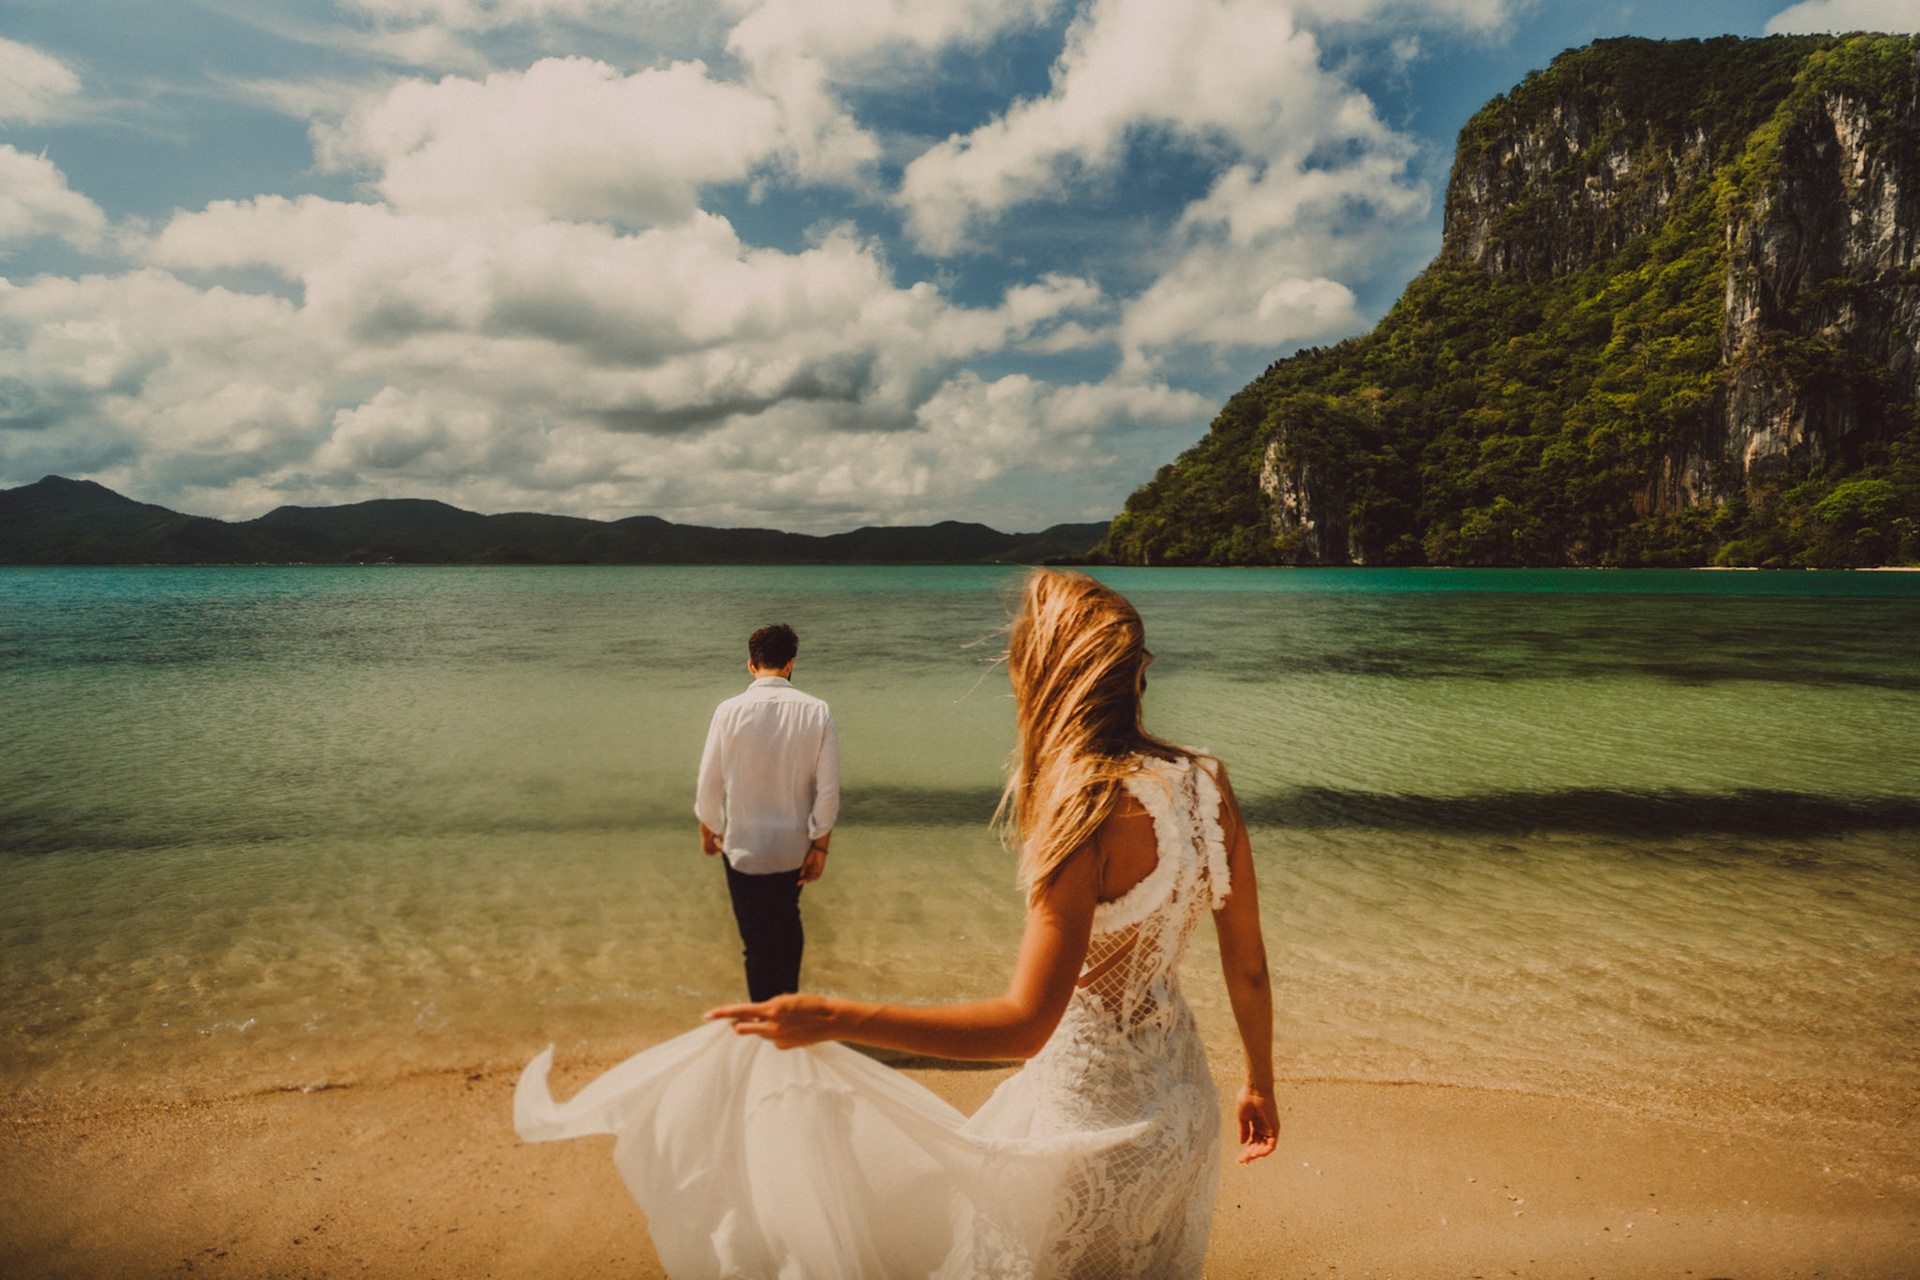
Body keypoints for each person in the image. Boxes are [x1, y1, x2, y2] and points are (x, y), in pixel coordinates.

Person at [516, 571, 1277, 1279]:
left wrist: (835, 1017)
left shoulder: (1080, 811)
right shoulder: (1205, 782)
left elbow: (1022, 1026)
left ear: (1041, 677)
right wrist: (1260, 1083)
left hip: (1087, 1132)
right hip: (1183, 1111)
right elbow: (1246, 962)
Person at [695, 623, 839, 1002]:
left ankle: (764, 1025)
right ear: (791, 663)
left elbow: (709, 780)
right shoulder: (818, 711)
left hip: (744, 849)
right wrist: (820, 846)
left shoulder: (727, 711)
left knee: (756, 944)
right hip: (794, 848)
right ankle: (788, 1014)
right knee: (787, 928)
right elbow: (828, 790)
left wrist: (709, 828)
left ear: (750, 665)